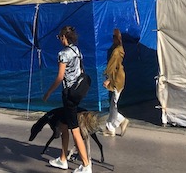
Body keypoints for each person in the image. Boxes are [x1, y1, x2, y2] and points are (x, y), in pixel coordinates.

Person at [43, 25, 93, 172]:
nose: (59, 39)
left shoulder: (63, 54)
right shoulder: (76, 51)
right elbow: (81, 71)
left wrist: (49, 92)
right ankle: (63, 159)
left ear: (65, 37)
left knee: (74, 130)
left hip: (69, 95)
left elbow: (60, 76)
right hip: (77, 92)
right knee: (63, 126)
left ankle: (86, 165)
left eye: (60, 37)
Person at [103, 28, 130, 137]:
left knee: (114, 104)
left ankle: (122, 120)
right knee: (112, 105)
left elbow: (112, 66)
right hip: (119, 78)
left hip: (116, 79)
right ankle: (110, 128)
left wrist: (108, 79)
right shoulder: (119, 49)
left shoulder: (116, 51)